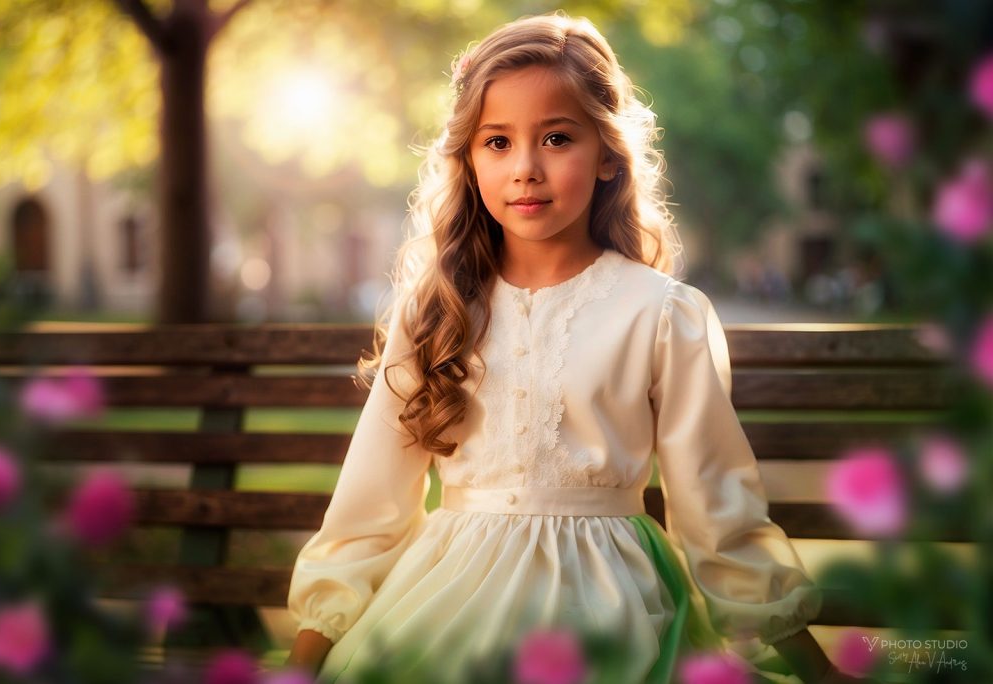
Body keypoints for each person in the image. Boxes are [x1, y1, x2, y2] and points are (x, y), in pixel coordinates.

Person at [287, 12, 870, 684]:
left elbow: (717, 509)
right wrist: (304, 663)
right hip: (448, 601)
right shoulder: (437, 312)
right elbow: (369, 505)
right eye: (497, 142)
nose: (526, 169)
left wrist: (815, 670)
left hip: (612, 604)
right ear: (468, 159)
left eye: (557, 138)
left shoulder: (660, 313)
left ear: (607, 155)